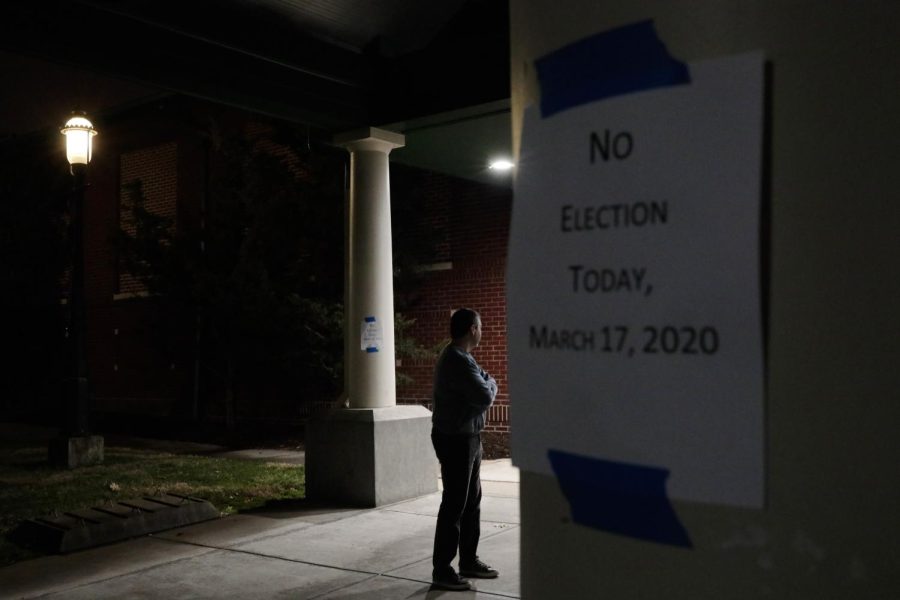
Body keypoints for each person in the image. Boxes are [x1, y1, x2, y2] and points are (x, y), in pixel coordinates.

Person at [430, 308, 500, 591]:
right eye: (480, 327)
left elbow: (480, 389)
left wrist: (485, 382)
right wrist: (490, 383)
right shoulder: (457, 360)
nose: (482, 332)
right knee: (455, 506)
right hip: (457, 440)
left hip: (469, 438)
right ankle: (442, 570)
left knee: (471, 502)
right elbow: (484, 393)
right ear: (472, 328)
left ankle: (468, 560)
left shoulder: (464, 359)